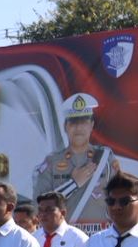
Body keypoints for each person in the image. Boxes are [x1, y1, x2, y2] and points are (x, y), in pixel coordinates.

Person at [34, 93, 119, 227]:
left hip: (99, 235)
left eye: (84, 122)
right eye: (73, 122)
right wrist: (74, 183)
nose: (78, 128)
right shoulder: (51, 162)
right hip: (65, 237)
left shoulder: (105, 158)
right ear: (66, 127)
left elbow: (119, 196)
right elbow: (38, 204)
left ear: (91, 125)